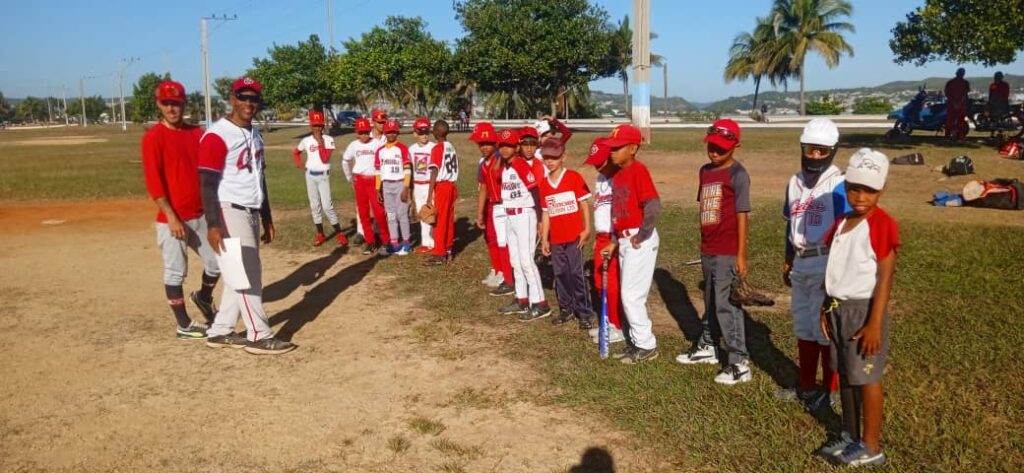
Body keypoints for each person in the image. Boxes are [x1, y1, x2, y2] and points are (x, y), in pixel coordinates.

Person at [198, 77, 294, 355]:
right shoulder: (218, 135)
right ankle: (258, 335)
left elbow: (258, 179)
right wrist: (213, 224)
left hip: (250, 209)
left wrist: (267, 216)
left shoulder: (255, 134)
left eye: (254, 98)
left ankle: (220, 330)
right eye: (243, 97)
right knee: (247, 275)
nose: (248, 103)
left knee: (237, 274)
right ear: (232, 98)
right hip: (228, 209)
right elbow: (206, 183)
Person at [816, 148, 898, 467]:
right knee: (847, 376)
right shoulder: (842, 222)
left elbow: (885, 276)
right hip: (838, 309)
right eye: (854, 188)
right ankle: (849, 436)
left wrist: (874, 323)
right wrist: (826, 308)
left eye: (870, 189)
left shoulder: (881, 224)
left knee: (866, 377)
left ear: (882, 189)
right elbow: (835, 269)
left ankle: (871, 444)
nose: (860, 196)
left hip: (863, 312)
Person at [778, 118, 849, 408]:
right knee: (804, 327)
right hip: (801, 262)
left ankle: (830, 391)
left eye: (821, 151)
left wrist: (837, 272)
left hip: (826, 261)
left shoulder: (839, 184)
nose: (814, 156)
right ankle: (807, 385)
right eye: (809, 149)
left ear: (832, 151)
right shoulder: (794, 183)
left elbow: (846, 230)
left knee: (825, 329)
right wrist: (787, 257)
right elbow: (790, 223)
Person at [141, 79, 220, 339]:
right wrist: (172, 217)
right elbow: (155, 184)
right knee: (176, 271)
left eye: (176, 103)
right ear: (158, 105)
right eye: (166, 103)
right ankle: (183, 324)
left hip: (199, 214)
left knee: (218, 263)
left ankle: (203, 297)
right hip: (171, 219)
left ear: (184, 104)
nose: (172, 109)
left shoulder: (196, 134)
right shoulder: (152, 138)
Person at [676, 119, 751, 383]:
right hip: (708, 248)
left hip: (727, 250)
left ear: (735, 146)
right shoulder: (705, 171)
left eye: (721, 149)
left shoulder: (738, 175)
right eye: (711, 147)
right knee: (710, 301)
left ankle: (738, 361)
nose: (714, 153)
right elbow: (706, 209)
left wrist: (741, 254)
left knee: (726, 305)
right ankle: (708, 346)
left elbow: (742, 215)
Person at [600, 124, 661, 364]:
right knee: (630, 294)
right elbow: (620, 213)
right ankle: (637, 342)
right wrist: (615, 241)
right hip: (625, 239)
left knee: (631, 295)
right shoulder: (619, 174)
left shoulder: (638, 170)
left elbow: (653, 205)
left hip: (638, 239)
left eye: (618, 148)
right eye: (611, 148)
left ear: (633, 148)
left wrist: (642, 234)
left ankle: (646, 345)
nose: (612, 152)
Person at [496, 128, 551, 320]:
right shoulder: (506, 166)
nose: (504, 149)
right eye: (501, 145)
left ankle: (540, 303)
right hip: (510, 214)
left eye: (509, 145)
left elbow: (535, 191)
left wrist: (540, 220)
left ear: (516, 147)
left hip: (525, 214)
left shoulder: (520, 164)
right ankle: (522, 299)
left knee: (527, 261)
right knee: (515, 261)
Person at [538, 139, 594, 329]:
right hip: (556, 239)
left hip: (574, 238)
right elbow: (546, 212)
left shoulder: (573, 177)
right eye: (546, 157)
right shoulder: (544, 184)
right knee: (560, 273)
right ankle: (566, 309)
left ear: (563, 157)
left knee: (576, 273)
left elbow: (584, 204)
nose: (550, 161)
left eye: (554, 157)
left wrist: (586, 229)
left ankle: (585, 312)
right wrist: (545, 238)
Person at [584, 138, 625, 344]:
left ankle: (618, 325)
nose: (598, 165)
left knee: (613, 283)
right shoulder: (600, 178)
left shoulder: (619, 177)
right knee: (599, 282)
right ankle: (607, 320)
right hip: (601, 237)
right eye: (594, 162)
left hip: (614, 238)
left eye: (601, 161)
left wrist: (614, 239)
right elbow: (599, 208)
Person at [292, 110, 346, 247]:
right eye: (315, 125)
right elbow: (296, 152)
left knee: (327, 206)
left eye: (320, 125)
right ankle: (320, 234)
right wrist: (300, 164)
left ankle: (339, 233)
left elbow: (325, 158)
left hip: (323, 176)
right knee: (315, 205)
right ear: (311, 126)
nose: (318, 128)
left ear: (323, 126)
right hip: (310, 175)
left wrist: (320, 141)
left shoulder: (329, 140)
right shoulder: (306, 141)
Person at [473, 122, 515, 294]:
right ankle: (498, 269)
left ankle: (507, 274)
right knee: (491, 237)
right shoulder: (483, 164)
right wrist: (479, 213)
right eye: (481, 144)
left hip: (507, 205)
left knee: (504, 240)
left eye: (488, 143)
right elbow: (483, 188)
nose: (484, 147)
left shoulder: (502, 159)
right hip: (492, 205)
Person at [342, 117, 390, 255]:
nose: (363, 135)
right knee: (363, 212)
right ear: (356, 132)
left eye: (365, 132)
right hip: (359, 180)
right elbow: (345, 161)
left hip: (374, 180)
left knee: (379, 212)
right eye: (360, 132)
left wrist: (381, 181)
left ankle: (386, 240)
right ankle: (370, 241)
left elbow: (383, 161)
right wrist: (350, 178)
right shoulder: (353, 145)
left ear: (369, 131)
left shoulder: (376, 144)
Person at [374, 119, 413, 255]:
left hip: (399, 184)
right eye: (388, 132)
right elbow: (378, 171)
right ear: (384, 133)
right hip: (386, 185)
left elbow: (407, 169)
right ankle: (394, 241)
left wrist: (406, 188)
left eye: (393, 132)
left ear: (397, 133)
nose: (391, 134)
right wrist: (378, 188)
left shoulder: (402, 148)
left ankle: (407, 241)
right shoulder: (380, 151)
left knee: (402, 214)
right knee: (390, 215)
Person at [424, 119, 459, 266]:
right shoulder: (450, 146)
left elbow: (434, 172)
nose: (432, 131)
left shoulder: (437, 148)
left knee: (440, 221)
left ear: (437, 132)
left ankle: (439, 254)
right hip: (452, 186)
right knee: (449, 220)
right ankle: (448, 249)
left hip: (442, 186)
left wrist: (429, 194)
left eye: (433, 129)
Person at [408, 117, 436, 254]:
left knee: (432, 212)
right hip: (417, 185)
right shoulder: (411, 149)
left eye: (426, 132)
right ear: (415, 133)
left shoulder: (434, 147)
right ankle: (426, 242)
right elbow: (410, 169)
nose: (424, 135)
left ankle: (435, 241)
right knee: (422, 213)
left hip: (430, 185)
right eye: (420, 132)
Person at [943, 67, 970, 140]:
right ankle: (958, 136)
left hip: (954, 105)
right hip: (958, 105)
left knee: (953, 121)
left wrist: (955, 102)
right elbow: (965, 95)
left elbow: (947, 94)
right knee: (958, 121)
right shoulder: (965, 83)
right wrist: (958, 103)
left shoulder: (951, 82)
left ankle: (949, 136)